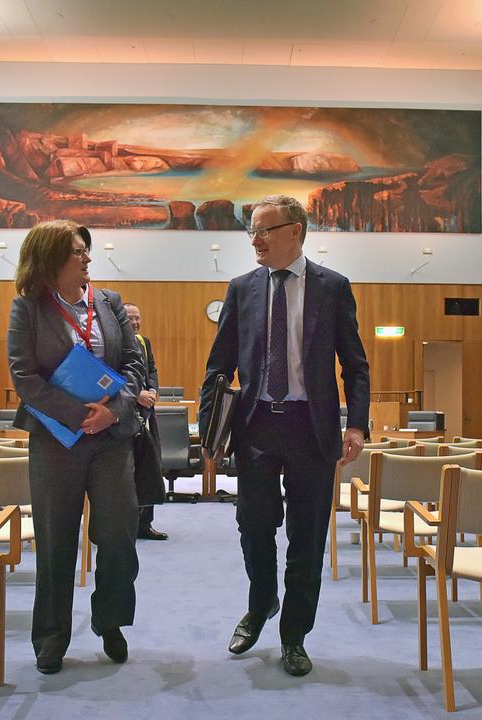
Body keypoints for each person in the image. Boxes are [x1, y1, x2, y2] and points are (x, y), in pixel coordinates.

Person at [199, 194, 370, 678]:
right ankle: (261, 604)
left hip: (311, 429)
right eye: (251, 231)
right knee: (253, 527)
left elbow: (355, 366)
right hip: (255, 426)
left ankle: (294, 636)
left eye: (264, 230)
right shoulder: (241, 289)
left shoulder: (332, 288)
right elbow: (218, 369)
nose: (254, 239)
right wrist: (209, 431)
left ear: (295, 231)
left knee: (308, 537)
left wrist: (356, 423)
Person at [7, 220, 145, 675]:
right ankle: (51, 637)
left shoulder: (109, 303)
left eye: (87, 250)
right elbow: (24, 377)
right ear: (50, 258)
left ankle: (110, 622)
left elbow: (133, 364)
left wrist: (114, 411)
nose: (87, 257)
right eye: (77, 251)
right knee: (55, 541)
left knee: (120, 535)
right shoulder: (28, 308)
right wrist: (77, 414)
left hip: (110, 439)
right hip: (55, 438)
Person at [124, 303, 168, 541]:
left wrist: (152, 390)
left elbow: (152, 369)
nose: (134, 323)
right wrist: (137, 393)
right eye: (130, 318)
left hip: (148, 415)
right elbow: (116, 375)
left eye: (137, 318)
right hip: (125, 416)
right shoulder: (116, 343)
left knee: (150, 467)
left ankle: (145, 524)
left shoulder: (144, 341)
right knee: (129, 473)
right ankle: (128, 524)